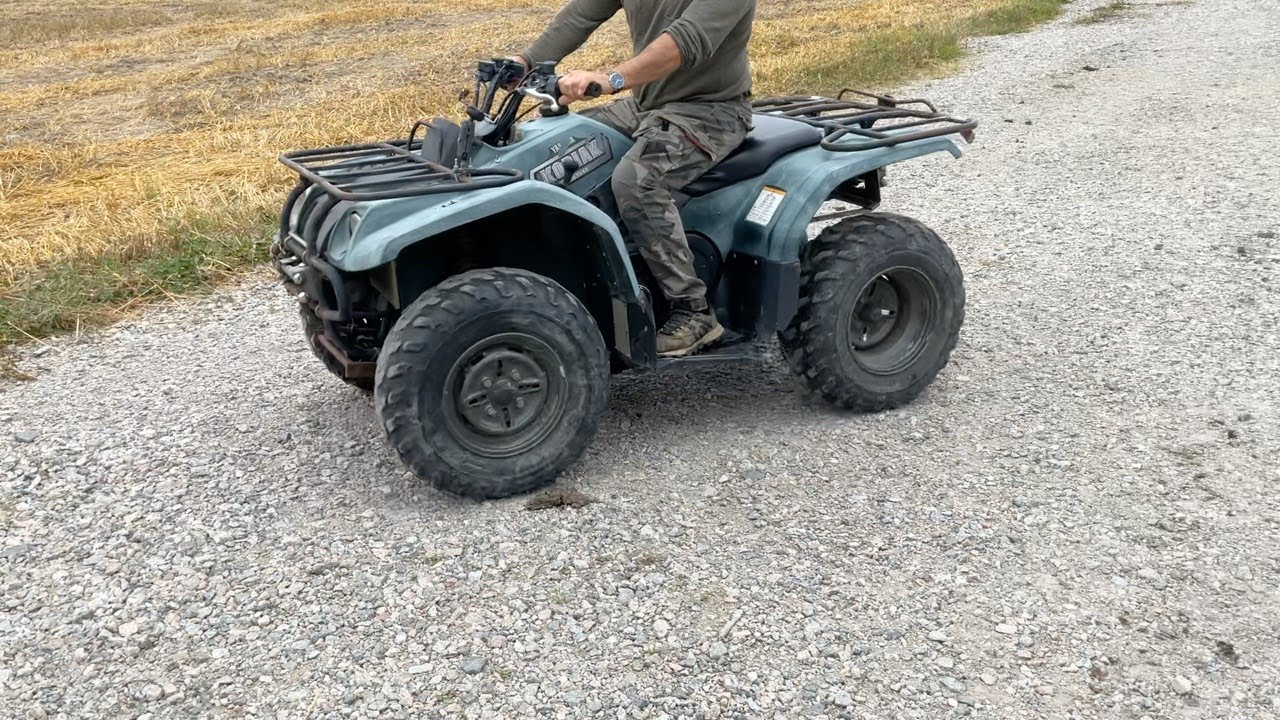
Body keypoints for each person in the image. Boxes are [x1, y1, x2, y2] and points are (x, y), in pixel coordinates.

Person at [514, 0, 757, 357]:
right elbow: (582, 14)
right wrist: (526, 62)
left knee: (636, 182)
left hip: (710, 111)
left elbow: (684, 41)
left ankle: (693, 309)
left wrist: (611, 79)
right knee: (555, 146)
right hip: (644, 105)